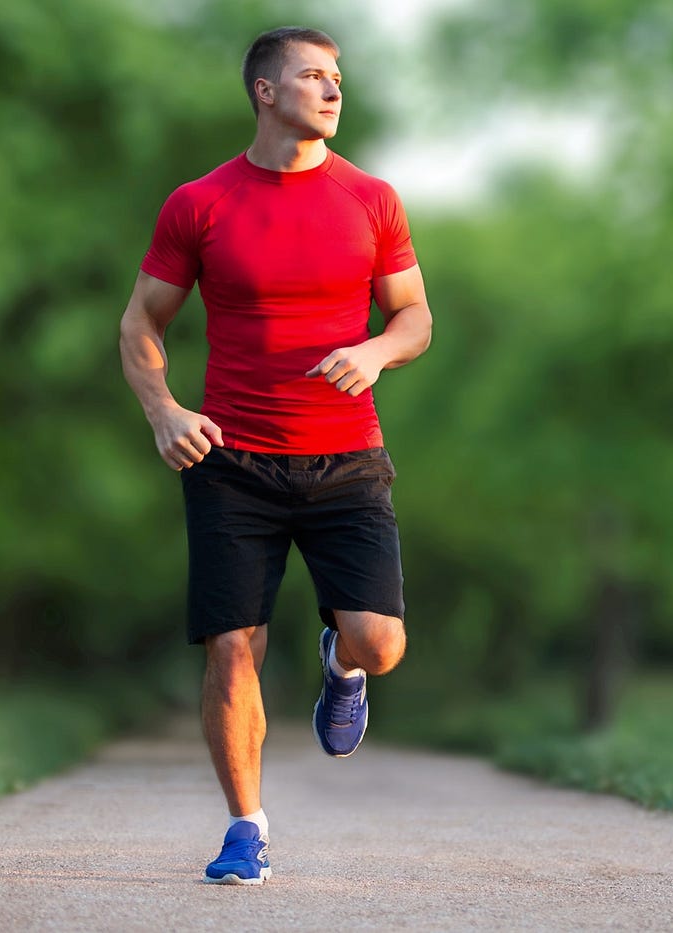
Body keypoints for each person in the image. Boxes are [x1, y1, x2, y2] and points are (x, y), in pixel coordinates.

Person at [117, 26, 431, 885]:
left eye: (338, 77)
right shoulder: (201, 203)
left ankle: (342, 663)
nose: (333, 90)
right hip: (233, 462)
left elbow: (414, 318)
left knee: (382, 642)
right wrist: (163, 409)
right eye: (313, 76)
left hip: (347, 459)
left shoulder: (372, 198)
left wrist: (373, 353)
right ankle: (245, 827)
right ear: (265, 90)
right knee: (232, 648)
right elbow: (143, 322)